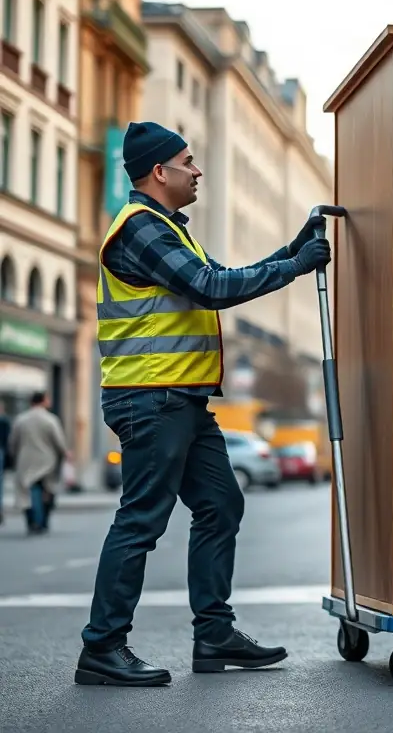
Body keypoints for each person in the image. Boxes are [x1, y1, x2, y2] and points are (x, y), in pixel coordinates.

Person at [75, 122, 332, 688]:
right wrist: (295, 266)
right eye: (188, 162)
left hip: (181, 401)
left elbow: (217, 276)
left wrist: (291, 249)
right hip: (150, 398)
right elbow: (212, 289)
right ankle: (102, 647)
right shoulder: (141, 230)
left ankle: (213, 634)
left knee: (221, 505)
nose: (197, 171)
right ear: (159, 172)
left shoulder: (170, 230)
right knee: (141, 522)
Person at [8, 391, 65, 534]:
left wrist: (14, 457)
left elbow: (13, 442)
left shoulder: (21, 419)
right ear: (44, 401)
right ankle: (43, 521)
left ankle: (31, 521)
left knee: (26, 493)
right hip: (47, 461)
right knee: (47, 490)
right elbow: (59, 442)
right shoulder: (51, 420)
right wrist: (64, 454)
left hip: (26, 461)